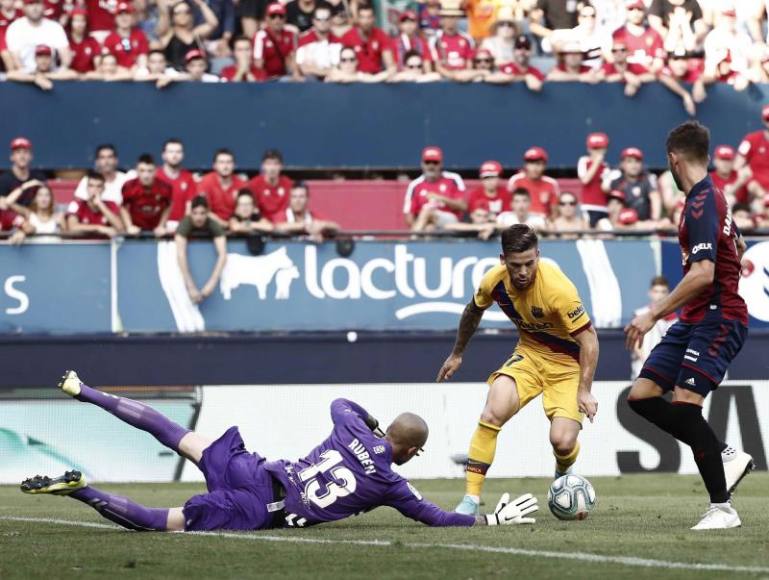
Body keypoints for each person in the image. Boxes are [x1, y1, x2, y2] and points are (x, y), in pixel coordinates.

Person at [23, 371, 540, 531]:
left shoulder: (349, 427)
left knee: (173, 433)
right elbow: (435, 517)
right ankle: (82, 490)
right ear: (409, 452)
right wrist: (491, 522)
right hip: (263, 506)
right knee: (163, 522)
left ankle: (84, 390)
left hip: (260, 468)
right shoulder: (392, 484)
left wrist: (372, 422)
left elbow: (342, 400)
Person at [624, 121, 754, 530]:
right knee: (641, 396)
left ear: (673, 160)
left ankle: (722, 508)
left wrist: (652, 314)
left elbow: (702, 274)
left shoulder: (701, 202)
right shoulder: (711, 196)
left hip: (718, 316)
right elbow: (737, 245)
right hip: (695, 317)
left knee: (684, 403)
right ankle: (726, 455)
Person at [437, 225, 599, 516]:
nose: (523, 271)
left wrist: (584, 389)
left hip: (567, 366)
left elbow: (589, 340)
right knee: (492, 411)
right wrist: (457, 353)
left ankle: (564, 468)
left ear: (538, 255)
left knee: (562, 442)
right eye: (515, 265)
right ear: (503, 260)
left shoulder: (558, 290)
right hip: (530, 355)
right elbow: (473, 311)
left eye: (529, 263)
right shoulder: (493, 281)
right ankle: (470, 500)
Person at [175, 196, 228, 304]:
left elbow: (223, 255)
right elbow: (180, 254)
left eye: (202, 213)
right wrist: (190, 286)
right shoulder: (185, 224)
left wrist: (212, 283)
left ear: (207, 213)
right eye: (195, 213)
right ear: (190, 213)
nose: (198, 217)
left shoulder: (213, 223)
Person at [403, 146, 466, 232]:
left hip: (449, 221)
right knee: (429, 228)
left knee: (427, 211)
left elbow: (463, 206)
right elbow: (408, 214)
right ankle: (418, 237)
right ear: (422, 164)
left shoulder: (453, 179)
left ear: (441, 164)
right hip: (425, 224)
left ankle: (414, 239)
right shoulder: (415, 185)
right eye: (427, 162)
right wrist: (418, 226)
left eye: (435, 162)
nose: (431, 166)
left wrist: (440, 198)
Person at [631, 276, 677, 380]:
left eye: (663, 292)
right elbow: (636, 344)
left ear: (668, 293)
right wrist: (647, 363)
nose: (659, 296)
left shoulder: (675, 320)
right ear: (650, 293)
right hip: (642, 369)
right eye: (656, 291)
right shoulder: (640, 314)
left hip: (666, 370)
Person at [5, 0, 70, 73]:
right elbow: (15, 58)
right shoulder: (15, 28)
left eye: (38, 3)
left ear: (44, 6)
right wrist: (30, 76)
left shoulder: (55, 27)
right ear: (24, 7)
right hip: (26, 76)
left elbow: (65, 54)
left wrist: (62, 70)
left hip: (51, 74)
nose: (35, 8)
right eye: (31, 4)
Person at [120, 154, 173, 237]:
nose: (146, 175)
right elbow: (123, 207)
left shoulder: (165, 188)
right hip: (135, 231)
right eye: (142, 171)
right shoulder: (129, 186)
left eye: (150, 171)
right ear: (137, 171)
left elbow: (168, 206)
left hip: (156, 232)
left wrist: (161, 225)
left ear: (155, 171)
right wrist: (129, 226)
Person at [157, 0, 219, 71]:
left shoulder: (196, 33)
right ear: (172, 16)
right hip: (174, 76)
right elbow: (162, 8)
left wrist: (201, 4)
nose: (183, 15)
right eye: (178, 13)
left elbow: (213, 24)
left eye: (187, 12)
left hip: (196, 74)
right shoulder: (168, 33)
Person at [604, 147, 661, 222]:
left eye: (637, 161)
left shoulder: (647, 179)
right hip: (622, 224)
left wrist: (655, 220)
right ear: (622, 164)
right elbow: (605, 192)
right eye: (629, 161)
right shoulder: (617, 181)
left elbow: (655, 198)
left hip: (645, 225)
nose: (634, 165)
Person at [66, 171, 125, 239]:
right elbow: (72, 228)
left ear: (103, 189)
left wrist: (100, 205)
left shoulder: (111, 204)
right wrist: (98, 228)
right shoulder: (76, 204)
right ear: (87, 188)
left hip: (104, 247)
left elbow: (120, 228)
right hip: (81, 246)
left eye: (98, 186)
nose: (94, 190)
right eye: (91, 186)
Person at [611, 0, 665, 73]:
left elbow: (658, 62)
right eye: (631, 9)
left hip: (649, 76)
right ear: (626, 11)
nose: (635, 13)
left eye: (639, 9)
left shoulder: (654, 33)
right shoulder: (618, 34)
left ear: (645, 11)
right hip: (626, 77)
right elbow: (615, 61)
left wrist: (647, 75)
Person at [275, 182, 339, 242]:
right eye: (294, 197)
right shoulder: (282, 215)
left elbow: (336, 227)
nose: (298, 201)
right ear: (289, 200)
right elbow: (277, 227)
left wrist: (323, 225)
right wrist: (305, 226)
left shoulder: (312, 215)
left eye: (301, 197)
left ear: (308, 199)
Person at [157, 138, 198, 231]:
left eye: (178, 152)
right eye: (171, 152)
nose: (174, 155)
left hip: (182, 229)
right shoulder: (155, 176)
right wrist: (160, 226)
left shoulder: (189, 178)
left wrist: (182, 227)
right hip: (157, 229)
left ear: (182, 155)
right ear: (163, 155)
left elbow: (190, 208)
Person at [340, 4, 394, 75]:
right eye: (363, 17)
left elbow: (390, 64)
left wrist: (385, 74)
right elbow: (343, 65)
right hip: (355, 78)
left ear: (374, 18)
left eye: (369, 17)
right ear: (358, 19)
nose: (366, 21)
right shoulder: (348, 37)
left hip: (376, 78)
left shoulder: (381, 35)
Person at [507, 146, 559, 219]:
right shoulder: (515, 180)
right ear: (525, 165)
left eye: (538, 164)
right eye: (531, 163)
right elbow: (509, 206)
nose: (534, 168)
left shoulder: (551, 183)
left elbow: (555, 212)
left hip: (543, 224)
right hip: (519, 221)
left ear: (544, 166)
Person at [198, 148, 246, 224]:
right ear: (214, 166)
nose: (225, 166)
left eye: (228, 162)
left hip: (236, 226)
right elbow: (203, 211)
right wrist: (223, 224)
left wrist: (233, 223)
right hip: (210, 227)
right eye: (221, 162)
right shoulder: (206, 182)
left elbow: (246, 211)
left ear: (234, 165)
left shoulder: (242, 185)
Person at [245, 149, 293, 223]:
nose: (272, 168)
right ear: (263, 166)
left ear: (281, 166)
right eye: (268, 164)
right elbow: (251, 210)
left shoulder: (289, 184)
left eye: (276, 164)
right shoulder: (253, 185)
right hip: (261, 226)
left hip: (284, 226)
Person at [735, 105, 769, 205]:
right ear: (764, 121)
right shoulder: (750, 139)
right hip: (757, 194)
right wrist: (750, 182)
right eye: (768, 119)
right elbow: (737, 166)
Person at [253, 3, 298, 79]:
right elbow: (258, 65)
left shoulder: (290, 34)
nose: (277, 20)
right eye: (273, 16)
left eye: (281, 16)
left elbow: (293, 59)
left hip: (285, 76)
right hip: (266, 79)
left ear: (285, 18)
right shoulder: (260, 36)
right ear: (266, 18)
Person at [295, 6, 340, 80]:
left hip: (331, 80)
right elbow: (303, 68)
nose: (323, 22)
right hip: (310, 81)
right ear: (313, 21)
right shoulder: (304, 40)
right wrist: (326, 71)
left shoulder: (337, 41)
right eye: (319, 19)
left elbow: (338, 67)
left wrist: (314, 69)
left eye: (326, 19)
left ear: (331, 21)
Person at [5, 42, 77, 88]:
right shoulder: (31, 71)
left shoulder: (55, 70)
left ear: (51, 59)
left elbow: (73, 74)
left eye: (46, 57)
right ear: (35, 59)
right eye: (40, 57)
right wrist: (35, 79)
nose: (43, 60)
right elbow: (10, 74)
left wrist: (46, 76)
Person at [103, 2, 149, 71]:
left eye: (127, 14)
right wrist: (121, 70)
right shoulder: (109, 39)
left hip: (137, 73)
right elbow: (107, 62)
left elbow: (143, 56)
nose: (124, 18)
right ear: (115, 18)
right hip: (116, 74)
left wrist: (139, 67)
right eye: (120, 15)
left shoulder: (140, 35)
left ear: (132, 17)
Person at [577, 132, 611, 227]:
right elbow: (585, 180)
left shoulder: (606, 167)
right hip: (587, 207)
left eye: (601, 148)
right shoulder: (583, 161)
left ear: (605, 149)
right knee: (587, 231)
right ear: (589, 149)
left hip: (602, 208)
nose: (597, 152)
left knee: (607, 230)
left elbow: (606, 189)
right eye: (595, 148)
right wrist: (596, 162)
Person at [430, 7, 474, 79]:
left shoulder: (467, 38)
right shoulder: (435, 39)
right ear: (442, 20)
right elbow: (436, 66)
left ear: (458, 19)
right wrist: (452, 76)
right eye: (447, 17)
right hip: (443, 79)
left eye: (453, 17)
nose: (450, 20)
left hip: (464, 78)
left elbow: (469, 63)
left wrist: (464, 75)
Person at [324, 44, 389, 82]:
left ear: (356, 62)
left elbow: (374, 78)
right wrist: (360, 77)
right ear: (339, 63)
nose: (348, 63)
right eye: (344, 60)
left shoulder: (361, 75)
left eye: (351, 59)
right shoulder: (333, 74)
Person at [67, 8, 101, 74]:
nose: (80, 24)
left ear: (86, 23)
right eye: (76, 20)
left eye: (82, 21)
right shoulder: (65, 42)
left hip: (89, 79)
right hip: (69, 79)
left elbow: (98, 66)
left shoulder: (92, 41)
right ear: (70, 22)